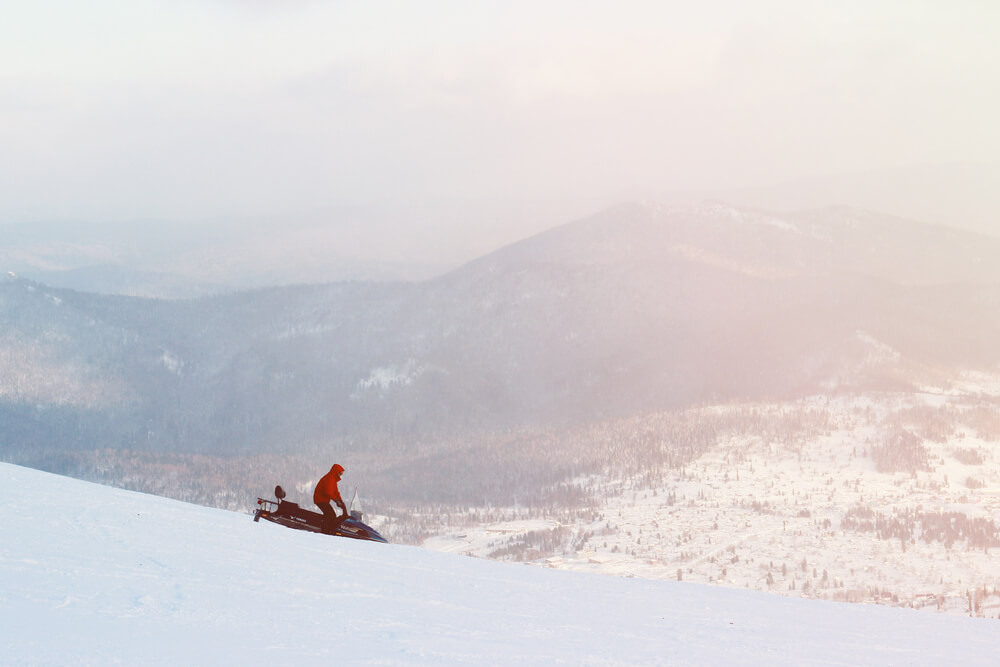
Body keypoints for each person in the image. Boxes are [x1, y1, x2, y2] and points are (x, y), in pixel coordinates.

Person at [313, 463, 349, 534]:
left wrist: (341, 501)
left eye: (341, 474)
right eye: (340, 473)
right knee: (330, 515)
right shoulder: (330, 478)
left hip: (323, 500)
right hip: (320, 499)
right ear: (336, 472)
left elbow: (336, 492)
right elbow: (328, 492)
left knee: (331, 514)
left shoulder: (333, 480)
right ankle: (325, 531)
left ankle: (328, 529)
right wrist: (336, 501)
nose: (340, 475)